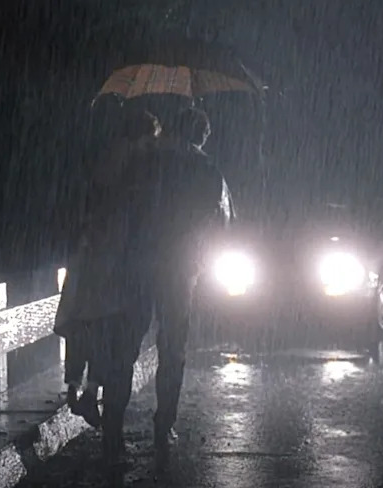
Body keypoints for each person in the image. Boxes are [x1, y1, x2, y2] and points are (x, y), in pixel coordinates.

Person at [97, 106, 230, 468]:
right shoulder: (207, 169)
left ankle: (112, 430)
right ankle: (164, 424)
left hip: (136, 265)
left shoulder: (143, 161)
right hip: (179, 269)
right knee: (173, 349)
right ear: (201, 135)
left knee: (124, 348)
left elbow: (115, 205)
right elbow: (220, 222)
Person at [53, 105, 162, 428]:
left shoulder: (103, 162)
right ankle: (92, 395)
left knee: (83, 325)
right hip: (111, 261)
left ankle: (76, 386)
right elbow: (125, 216)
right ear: (141, 136)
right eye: (150, 139)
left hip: (90, 256)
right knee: (108, 332)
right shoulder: (131, 170)